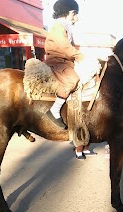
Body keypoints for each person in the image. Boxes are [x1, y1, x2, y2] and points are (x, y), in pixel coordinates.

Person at [44, 0, 83, 130]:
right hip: (57, 61)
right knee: (73, 80)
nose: (76, 18)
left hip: (65, 60)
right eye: (75, 14)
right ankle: (54, 110)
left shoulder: (65, 27)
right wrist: (80, 56)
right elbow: (64, 46)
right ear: (70, 13)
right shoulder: (58, 27)